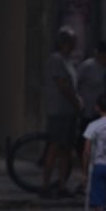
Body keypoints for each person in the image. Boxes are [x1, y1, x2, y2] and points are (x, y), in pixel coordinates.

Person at [42, 28, 82, 198]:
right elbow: (63, 84)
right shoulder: (56, 60)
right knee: (55, 146)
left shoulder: (67, 61)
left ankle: (62, 185)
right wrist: (76, 101)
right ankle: (45, 185)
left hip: (68, 111)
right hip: (59, 110)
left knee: (66, 148)